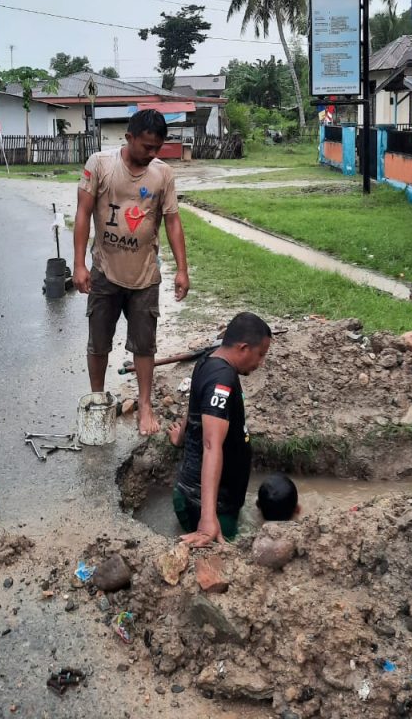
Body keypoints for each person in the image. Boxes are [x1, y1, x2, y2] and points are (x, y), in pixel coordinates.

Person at [73, 109, 190, 436]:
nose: (151, 154)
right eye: (146, 147)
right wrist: (79, 264)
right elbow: (83, 213)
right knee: (98, 342)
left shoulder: (162, 174)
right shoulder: (100, 165)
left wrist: (183, 269)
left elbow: (173, 221)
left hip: (144, 277)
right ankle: (98, 401)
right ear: (129, 138)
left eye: (157, 148)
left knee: (144, 345)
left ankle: (146, 406)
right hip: (104, 273)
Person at [169, 312, 271, 546]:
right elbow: (211, 445)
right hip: (210, 506)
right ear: (244, 348)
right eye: (261, 354)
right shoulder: (222, 381)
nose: (261, 362)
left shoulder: (208, 359)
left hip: (206, 497)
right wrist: (207, 520)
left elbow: (195, 408)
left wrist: (181, 437)